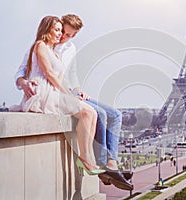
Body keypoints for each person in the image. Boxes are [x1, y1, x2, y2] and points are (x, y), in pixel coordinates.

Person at [14, 14, 133, 190]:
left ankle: (111, 162)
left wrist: (77, 91)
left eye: (68, 34)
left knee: (115, 114)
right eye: (61, 32)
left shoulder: (68, 49)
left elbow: (71, 77)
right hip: (55, 93)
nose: (63, 36)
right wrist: (24, 83)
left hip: (69, 92)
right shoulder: (41, 46)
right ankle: (101, 165)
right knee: (96, 113)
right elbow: (26, 72)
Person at [11, 16, 105, 176]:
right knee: (88, 113)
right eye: (57, 30)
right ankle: (85, 159)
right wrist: (69, 96)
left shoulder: (57, 52)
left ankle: (87, 157)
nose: (60, 34)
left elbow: (62, 77)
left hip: (55, 92)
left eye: (61, 31)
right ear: (46, 29)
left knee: (93, 113)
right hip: (44, 93)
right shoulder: (40, 46)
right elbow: (49, 74)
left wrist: (74, 92)